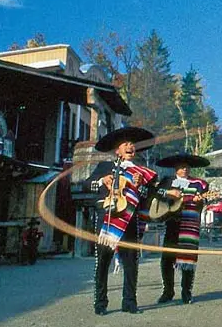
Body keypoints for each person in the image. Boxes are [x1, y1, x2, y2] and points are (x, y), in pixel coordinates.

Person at [89, 126, 157, 316]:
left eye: (132, 144)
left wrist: (139, 186)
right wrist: (102, 180)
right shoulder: (104, 167)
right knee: (102, 264)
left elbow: (149, 196)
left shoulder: (141, 173)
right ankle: (100, 303)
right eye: (125, 144)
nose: (130, 146)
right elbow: (87, 184)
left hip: (130, 221)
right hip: (107, 221)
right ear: (116, 150)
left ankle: (129, 302)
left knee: (131, 263)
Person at [153, 152, 212, 304]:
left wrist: (200, 200)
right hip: (172, 223)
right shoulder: (167, 181)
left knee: (188, 260)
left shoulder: (200, 184)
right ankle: (168, 291)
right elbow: (155, 193)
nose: (184, 169)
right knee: (167, 259)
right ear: (175, 168)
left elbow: (206, 200)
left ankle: (186, 292)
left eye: (187, 166)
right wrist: (168, 192)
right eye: (181, 166)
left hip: (190, 226)